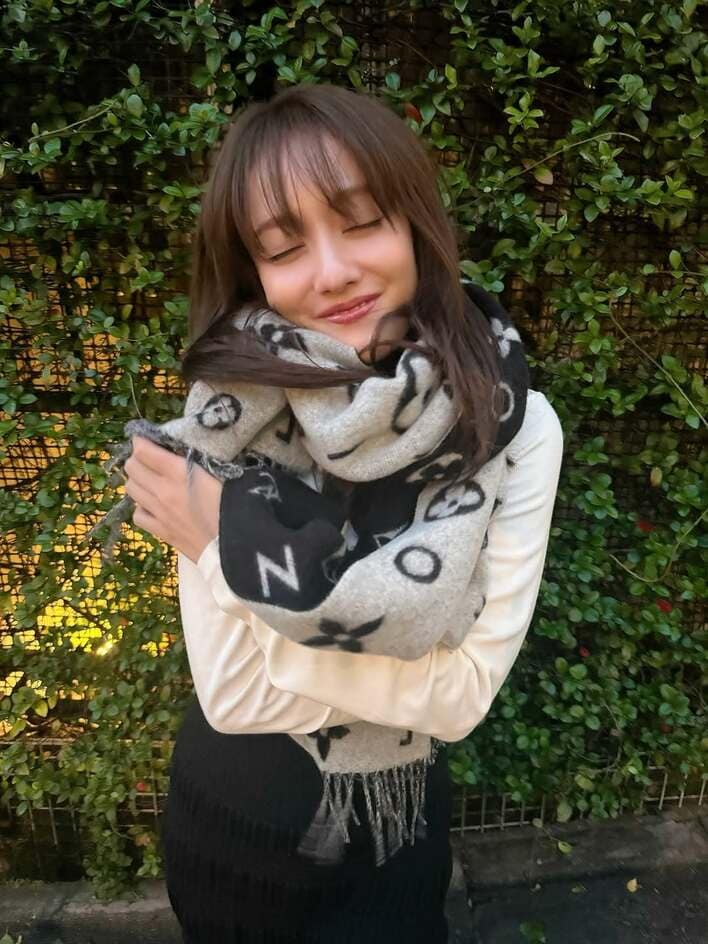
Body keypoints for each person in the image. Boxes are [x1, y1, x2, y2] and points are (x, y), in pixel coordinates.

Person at [123, 83, 563, 943]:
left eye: (361, 222)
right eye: (284, 247)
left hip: (395, 837)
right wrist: (400, 675)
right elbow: (233, 697)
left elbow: (462, 699)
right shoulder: (230, 410)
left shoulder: (514, 422)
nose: (331, 272)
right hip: (230, 829)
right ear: (254, 271)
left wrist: (222, 548)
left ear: (415, 225)